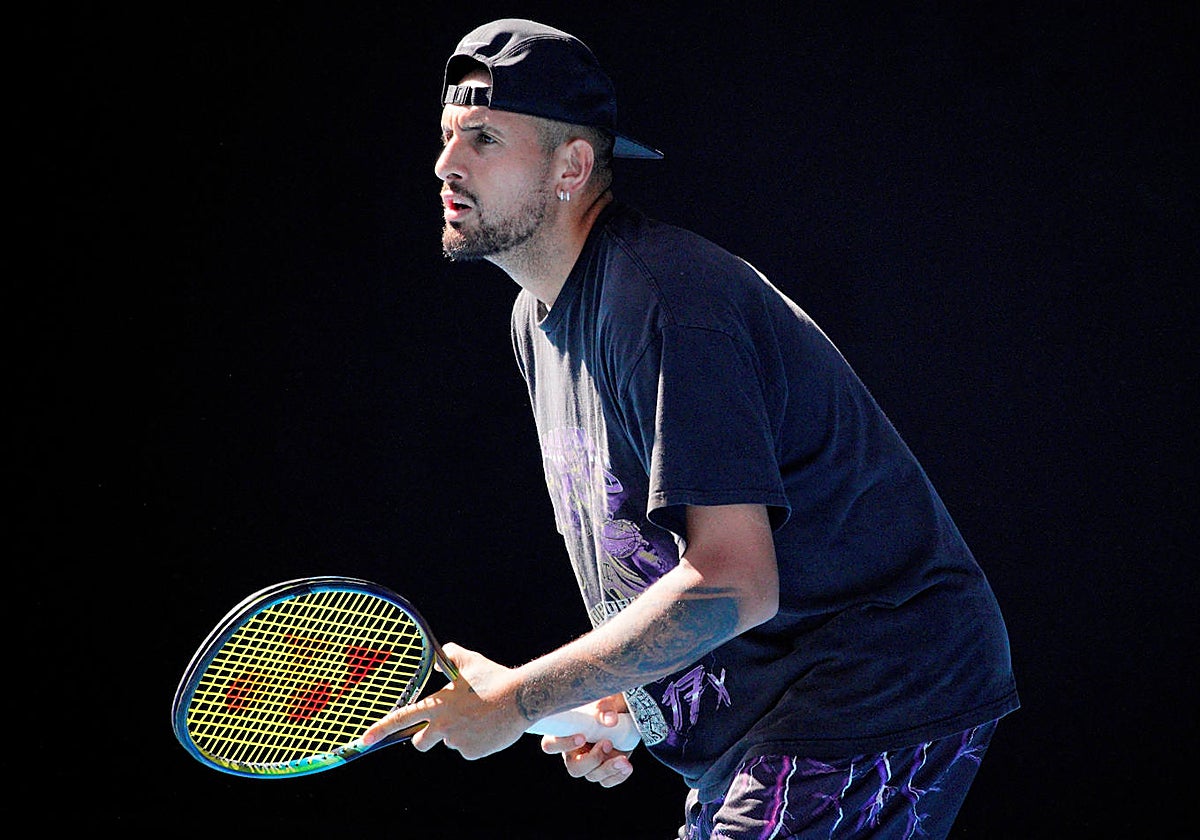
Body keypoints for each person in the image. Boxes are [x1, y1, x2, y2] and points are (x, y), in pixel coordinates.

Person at [364, 18, 1019, 839]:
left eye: (484, 139)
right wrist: (630, 703)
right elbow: (655, 561)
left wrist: (523, 698)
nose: (446, 165)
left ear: (571, 168)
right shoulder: (535, 321)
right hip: (766, 720)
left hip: (873, 686)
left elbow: (735, 582)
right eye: (446, 136)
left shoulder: (666, 299)